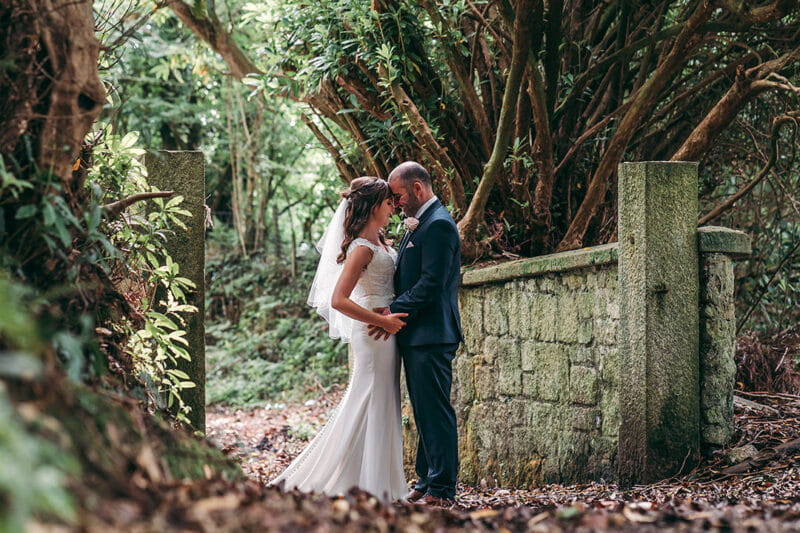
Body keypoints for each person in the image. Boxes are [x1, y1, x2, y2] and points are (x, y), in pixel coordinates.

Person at [269, 176, 409, 501]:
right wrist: (382, 321)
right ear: (374, 206)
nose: (392, 208)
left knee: (381, 401)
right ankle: (368, 485)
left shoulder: (381, 243)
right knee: (369, 400)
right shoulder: (361, 248)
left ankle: (378, 482)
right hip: (374, 332)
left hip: (384, 332)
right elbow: (339, 300)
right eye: (388, 202)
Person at [369, 161, 462, 506]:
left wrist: (393, 309)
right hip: (419, 333)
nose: (396, 204)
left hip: (433, 333)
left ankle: (442, 489)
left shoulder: (438, 225)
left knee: (435, 410)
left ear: (418, 189)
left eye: (399, 195)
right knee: (423, 411)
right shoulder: (421, 223)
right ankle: (426, 480)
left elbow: (432, 283)